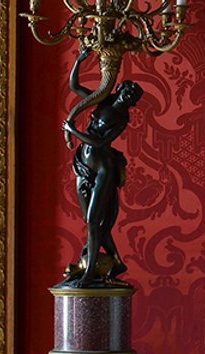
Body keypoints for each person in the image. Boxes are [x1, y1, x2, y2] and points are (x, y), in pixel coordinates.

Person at [61, 47, 143, 288]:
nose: (127, 97)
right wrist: (79, 59)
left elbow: (98, 142)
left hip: (103, 168)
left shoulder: (122, 118)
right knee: (95, 223)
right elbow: (75, 87)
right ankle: (115, 263)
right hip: (83, 163)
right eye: (127, 92)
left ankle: (88, 274)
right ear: (119, 89)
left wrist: (72, 131)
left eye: (132, 98)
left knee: (92, 220)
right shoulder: (104, 100)